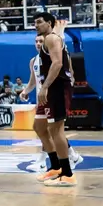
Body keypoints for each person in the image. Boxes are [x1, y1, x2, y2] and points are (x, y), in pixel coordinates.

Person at [20, 23, 82, 173]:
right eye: (36, 42)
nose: (38, 44)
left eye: (41, 41)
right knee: (41, 128)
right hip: (42, 98)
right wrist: (25, 91)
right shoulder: (33, 61)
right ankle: (66, 158)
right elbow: (33, 81)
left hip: (54, 94)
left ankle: (54, 164)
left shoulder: (55, 56)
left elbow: (66, 69)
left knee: (52, 129)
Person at [33, 11, 76, 187]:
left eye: (39, 22)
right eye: (34, 22)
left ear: (49, 23)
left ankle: (67, 173)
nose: (36, 25)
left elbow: (58, 63)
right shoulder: (49, 39)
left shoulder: (51, 38)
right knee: (40, 127)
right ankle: (56, 166)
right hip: (53, 88)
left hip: (57, 87)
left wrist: (44, 87)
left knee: (56, 129)